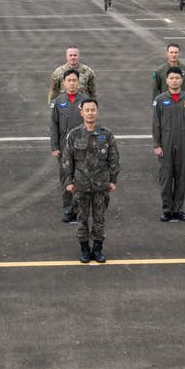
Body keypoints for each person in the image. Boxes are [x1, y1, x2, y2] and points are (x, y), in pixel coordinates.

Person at [62, 97, 121, 264]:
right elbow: (67, 160)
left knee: (99, 219)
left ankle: (97, 249)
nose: (90, 113)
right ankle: (84, 249)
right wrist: (69, 181)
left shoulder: (106, 134)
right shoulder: (74, 135)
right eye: (87, 110)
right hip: (80, 185)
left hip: (101, 185)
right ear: (81, 113)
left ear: (97, 112)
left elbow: (114, 158)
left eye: (93, 110)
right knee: (82, 219)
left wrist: (113, 179)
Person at [152, 68, 185, 223]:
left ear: (182, 80)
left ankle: (178, 209)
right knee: (166, 178)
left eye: (177, 78)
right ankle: (167, 210)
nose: (174, 80)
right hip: (165, 144)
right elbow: (156, 124)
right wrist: (157, 144)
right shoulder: (160, 100)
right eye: (171, 78)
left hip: (184, 143)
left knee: (181, 177)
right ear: (166, 81)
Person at [49, 68, 87, 223]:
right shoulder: (58, 102)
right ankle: (68, 209)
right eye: (69, 80)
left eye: (74, 80)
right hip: (64, 146)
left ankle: (80, 210)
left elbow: (91, 123)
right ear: (64, 83)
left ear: (78, 82)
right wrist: (55, 147)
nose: (72, 83)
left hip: (82, 145)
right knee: (66, 178)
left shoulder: (85, 100)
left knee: (82, 178)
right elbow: (53, 126)